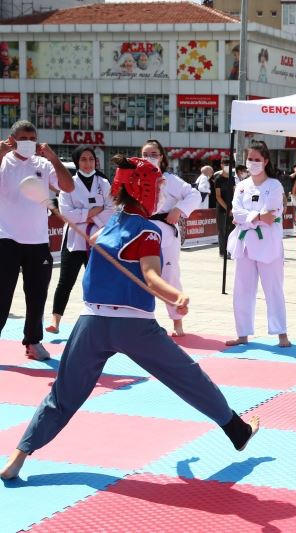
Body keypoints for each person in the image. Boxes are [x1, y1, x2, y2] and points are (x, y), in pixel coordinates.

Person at [0, 156, 259, 481]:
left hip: (90, 323)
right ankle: (236, 429)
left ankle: (18, 457)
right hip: (134, 326)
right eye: (158, 189)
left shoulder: (108, 225)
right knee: (187, 376)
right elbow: (151, 276)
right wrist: (173, 294)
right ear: (145, 192)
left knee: (63, 394)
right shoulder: (148, 231)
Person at [0, 120, 74, 361]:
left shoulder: (43, 163)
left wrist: (54, 159)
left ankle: (33, 341)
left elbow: (68, 187)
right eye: (23, 139)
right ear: (11, 140)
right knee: (2, 294)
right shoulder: (3, 161)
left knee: (37, 294)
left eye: (33, 139)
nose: (29, 143)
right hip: (6, 238)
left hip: (38, 240)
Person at [224, 141, 291, 349]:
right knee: (242, 289)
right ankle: (242, 333)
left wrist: (248, 218)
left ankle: (281, 333)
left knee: (273, 289)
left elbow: (270, 215)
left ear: (266, 161)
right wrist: (256, 216)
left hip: (268, 243)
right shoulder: (242, 186)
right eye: (250, 159)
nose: (253, 163)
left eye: (257, 159)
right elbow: (235, 212)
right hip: (244, 243)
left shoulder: (274, 185)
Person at [46, 145, 114, 334]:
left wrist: (86, 216)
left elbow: (111, 209)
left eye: (91, 159)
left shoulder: (103, 182)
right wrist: (92, 213)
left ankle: (100, 321)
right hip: (74, 239)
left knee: (97, 281)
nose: (87, 163)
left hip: (98, 239)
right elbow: (66, 213)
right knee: (66, 281)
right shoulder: (68, 182)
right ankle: (55, 320)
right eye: (83, 159)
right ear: (77, 162)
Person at [141, 139, 200, 337]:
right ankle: (143, 321)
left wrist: (179, 209)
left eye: (153, 155)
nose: (149, 158)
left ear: (162, 157)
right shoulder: (135, 179)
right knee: (140, 277)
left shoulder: (170, 179)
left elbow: (194, 195)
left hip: (165, 231)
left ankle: (177, 323)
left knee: (170, 275)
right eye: (145, 155)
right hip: (141, 231)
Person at [214, 156, 235, 258]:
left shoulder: (232, 178)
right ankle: (223, 252)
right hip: (222, 209)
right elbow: (218, 196)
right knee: (222, 230)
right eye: (225, 164)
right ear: (221, 165)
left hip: (232, 208)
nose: (228, 167)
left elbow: (234, 193)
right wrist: (227, 209)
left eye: (229, 165)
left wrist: (234, 207)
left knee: (231, 230)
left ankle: (230, 250)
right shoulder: (218, 179)